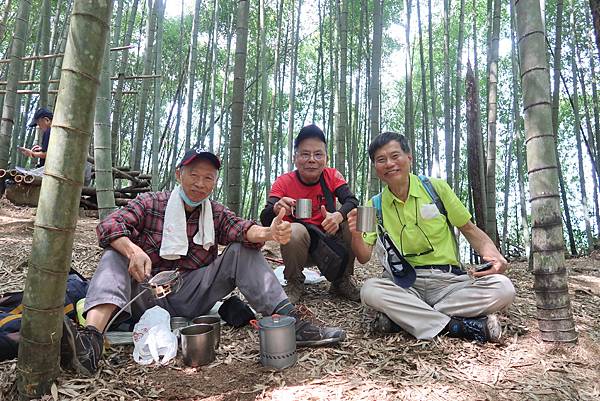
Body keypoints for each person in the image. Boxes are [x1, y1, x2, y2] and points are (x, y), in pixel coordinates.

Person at [60, 147, 346, 376]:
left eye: (208, 178)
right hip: (144, 293)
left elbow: (243, 229)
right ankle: (91, 340)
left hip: (191, 294)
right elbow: (110, 225)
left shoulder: (215, 213)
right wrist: (133, 250)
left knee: (241, 250)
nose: (200, 184)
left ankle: (290, 322)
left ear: (214, 183)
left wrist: (270, 232)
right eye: (194, 175)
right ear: (178, 174)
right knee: (115, 252)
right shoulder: (152, 203)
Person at [348, 132, 515, 343]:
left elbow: (469, 229)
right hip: (405, 285)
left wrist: (495, 257)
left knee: (504, 288)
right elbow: (363, 256)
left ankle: (408, 318)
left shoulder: (436, 188)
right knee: (370, 290)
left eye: (395, 156)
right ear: (376, 168)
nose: (389, 163)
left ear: (409, 158)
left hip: (450, 285)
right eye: (381, 160)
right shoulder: (373, 205)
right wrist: (354, 234)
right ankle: (455, 326)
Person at [260, 124, 360, 303]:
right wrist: (276, 209)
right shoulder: (284, 182)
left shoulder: (332, 176)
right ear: (295, 158)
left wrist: (337, 216)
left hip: (331, 246)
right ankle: (294, 282)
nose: (312, 160)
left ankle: (341, 279)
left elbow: (352, 201)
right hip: (300, 250)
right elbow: (265, 217)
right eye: (305, 154)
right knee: (295, 229)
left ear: (326, 158)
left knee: (350, 219)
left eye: (318, 154)